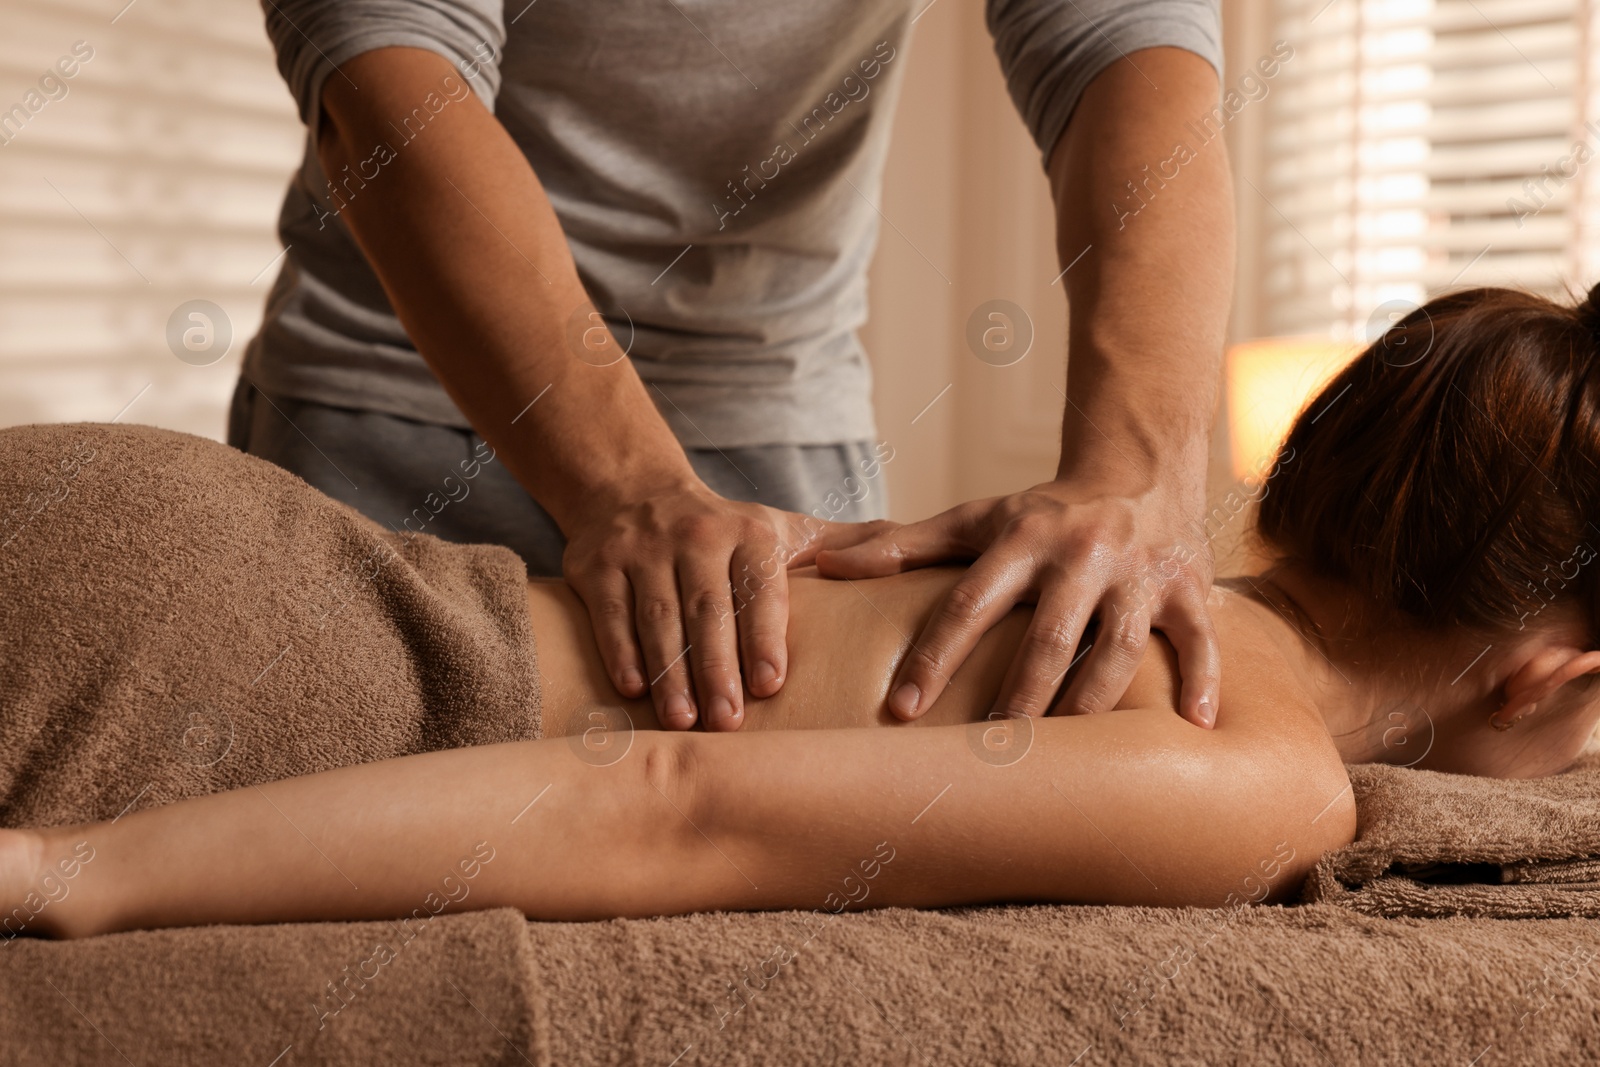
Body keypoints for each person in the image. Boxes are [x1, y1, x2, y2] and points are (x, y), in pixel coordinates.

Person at [8, 283, 1600, 937]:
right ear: (1547, 673)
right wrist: (79, 871)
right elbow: (665, 799)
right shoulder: (1258, 772)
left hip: (202, 535)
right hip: (240, 663)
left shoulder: (1081, 571)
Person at [231, 0, 1235, 736]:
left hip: (776, 423)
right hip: (394, 405)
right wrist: (625, 483)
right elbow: (390, 75)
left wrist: (1136, 473)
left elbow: (1125, 45)